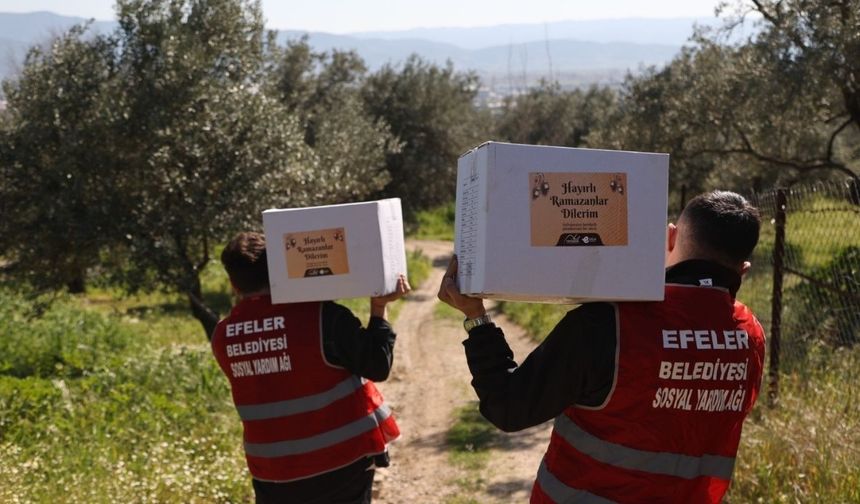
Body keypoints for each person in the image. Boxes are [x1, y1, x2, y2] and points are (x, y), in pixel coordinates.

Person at [438, 191, 766, 503]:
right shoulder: (751, 336)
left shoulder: (610, 322)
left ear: (669, 239)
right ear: (744, 270)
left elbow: (510, 407)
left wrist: (476, 317)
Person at [211, 231, 409, 504]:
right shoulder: (323, 317)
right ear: (280, 270)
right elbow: (377, 365)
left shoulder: (222, 335)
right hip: (342, 464)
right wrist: (378, 307)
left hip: (273, 474)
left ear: (233, 284)